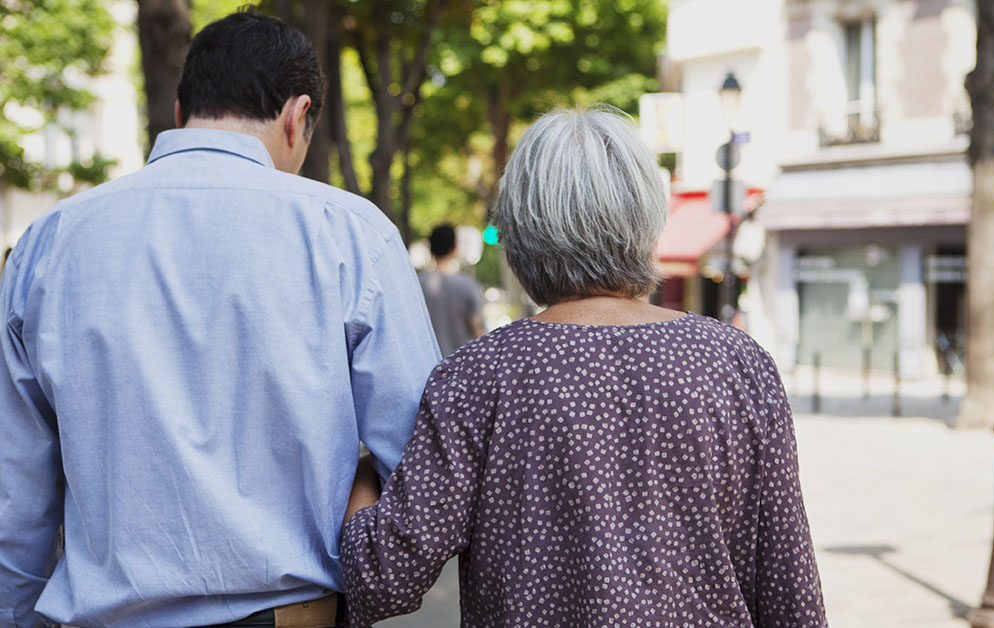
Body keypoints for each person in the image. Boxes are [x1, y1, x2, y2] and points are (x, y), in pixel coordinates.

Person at [0, 10, 440, 628]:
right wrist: (359, 498)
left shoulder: (48, 243)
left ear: (182, 111)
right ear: (297, 116)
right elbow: (424, 462)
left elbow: (15, 491)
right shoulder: (351, 234)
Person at [340, 107, 827, 628]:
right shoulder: (736, 364)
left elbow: (382, 578)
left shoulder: (478, 376)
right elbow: (790, 591)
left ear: (520, 230)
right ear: (647, 218)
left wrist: (364, 469)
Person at [418, 224, 485, 356]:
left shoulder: (417, 284)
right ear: (454, 247)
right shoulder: (467, 285)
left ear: (430, 248)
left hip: (425, 362)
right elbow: (477, 330)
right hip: (459, 362)